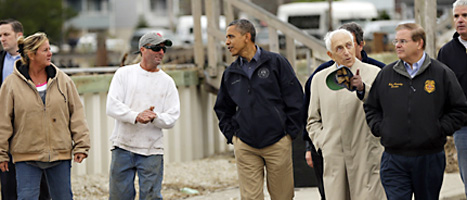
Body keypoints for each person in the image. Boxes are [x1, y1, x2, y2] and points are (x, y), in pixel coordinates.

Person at [364, 23, 467, 200]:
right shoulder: (386, 74)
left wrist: (438, 129)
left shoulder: (441, 73)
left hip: (429, 158)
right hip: (393, 158)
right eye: (396, 41)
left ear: (419, 43)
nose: (397, 45)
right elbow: (372, 107)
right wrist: (381, 129)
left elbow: (458, 108)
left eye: (403, 41)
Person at [214, 19, 303, 200]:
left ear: (247, 37)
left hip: (277, 142)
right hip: (246, 145)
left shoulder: (276, 62)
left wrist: (289, 134)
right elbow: (223, 108)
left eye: (231, 37)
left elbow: (295, 98)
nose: (227, 42)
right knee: (250, 198)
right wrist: (233, 137)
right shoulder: (230, 73)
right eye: (226, 38)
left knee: (283, 197)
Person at [0, 32, 90, 199]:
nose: (50, 53)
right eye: (45, 50)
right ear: (31, 55)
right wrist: (2, 153)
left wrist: (81, 144)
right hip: (26, 155)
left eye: (49, 49)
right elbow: (3, 122)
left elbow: (76, 114)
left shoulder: (63, 80)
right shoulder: (11, 84)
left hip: (60, 153)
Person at [302, 22, 385, 200]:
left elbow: (386, 108)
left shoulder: (375, 73)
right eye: (339, 48)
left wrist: (364, 88)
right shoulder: (319, 79)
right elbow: (312, 120)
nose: (346, 52)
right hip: (335, 157)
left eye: (349, 45)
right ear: (330, 54)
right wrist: (323, 142)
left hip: (367, 156)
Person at [107, 31, 180, 200]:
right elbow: (111, 106)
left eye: (163, 49)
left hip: (152, 150)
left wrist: (155, 117)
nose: (160, 53)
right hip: (122, 146)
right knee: (119, 197)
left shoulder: (167, 82)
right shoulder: (123, 74)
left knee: (151, 197)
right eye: (156, 48)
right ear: (142, 50)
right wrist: (136, 116)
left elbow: (173, 116)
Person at [0, 19, 52, 200]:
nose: (2, 39)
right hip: (5, 125)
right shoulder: (1, 60)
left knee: (37, 176)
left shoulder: (34, 63)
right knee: (7, 177)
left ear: (19, 36)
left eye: (6, 34)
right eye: (0, 35)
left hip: (30, 127)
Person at [438, 0, 467, 196]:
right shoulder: (446, 52)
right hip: (463, 127)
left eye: (465, 15)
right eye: (456, 16)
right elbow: (441, 91)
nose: (460, 20)